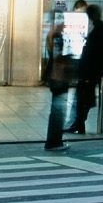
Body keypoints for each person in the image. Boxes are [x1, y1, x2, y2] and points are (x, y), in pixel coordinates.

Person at [68, 5, 103, 135]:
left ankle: (79, 123)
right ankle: (78, 123)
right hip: (94, 67)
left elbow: (94, 51)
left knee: (83, 96)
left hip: (90, 68)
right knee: (85, 96)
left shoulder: (99, 29)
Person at [43, 10, 76, 152]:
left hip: (57, 77)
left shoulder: (54, 35)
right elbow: (58, 59)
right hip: (59, 77)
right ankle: (54, 142)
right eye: (62, 20)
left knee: (58, 110)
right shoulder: (57, 36)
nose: (64, 23)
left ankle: (54, 141)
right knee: (58, 111)